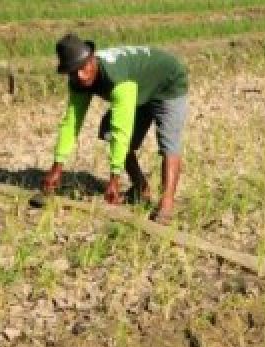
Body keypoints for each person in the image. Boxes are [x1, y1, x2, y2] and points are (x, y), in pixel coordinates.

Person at [41, 34, 188, 223]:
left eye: (83, 68)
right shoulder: (78, 81)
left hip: (167, 83)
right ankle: (140, 188)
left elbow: (122, 129)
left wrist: (114, 178)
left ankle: (166, 205)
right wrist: (57, 167)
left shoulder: (116, 78)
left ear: (92, 60)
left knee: (169, 143)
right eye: (73, 72)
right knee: (109, 132)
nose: (80, 76)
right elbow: (71, 123)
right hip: (139, 85)